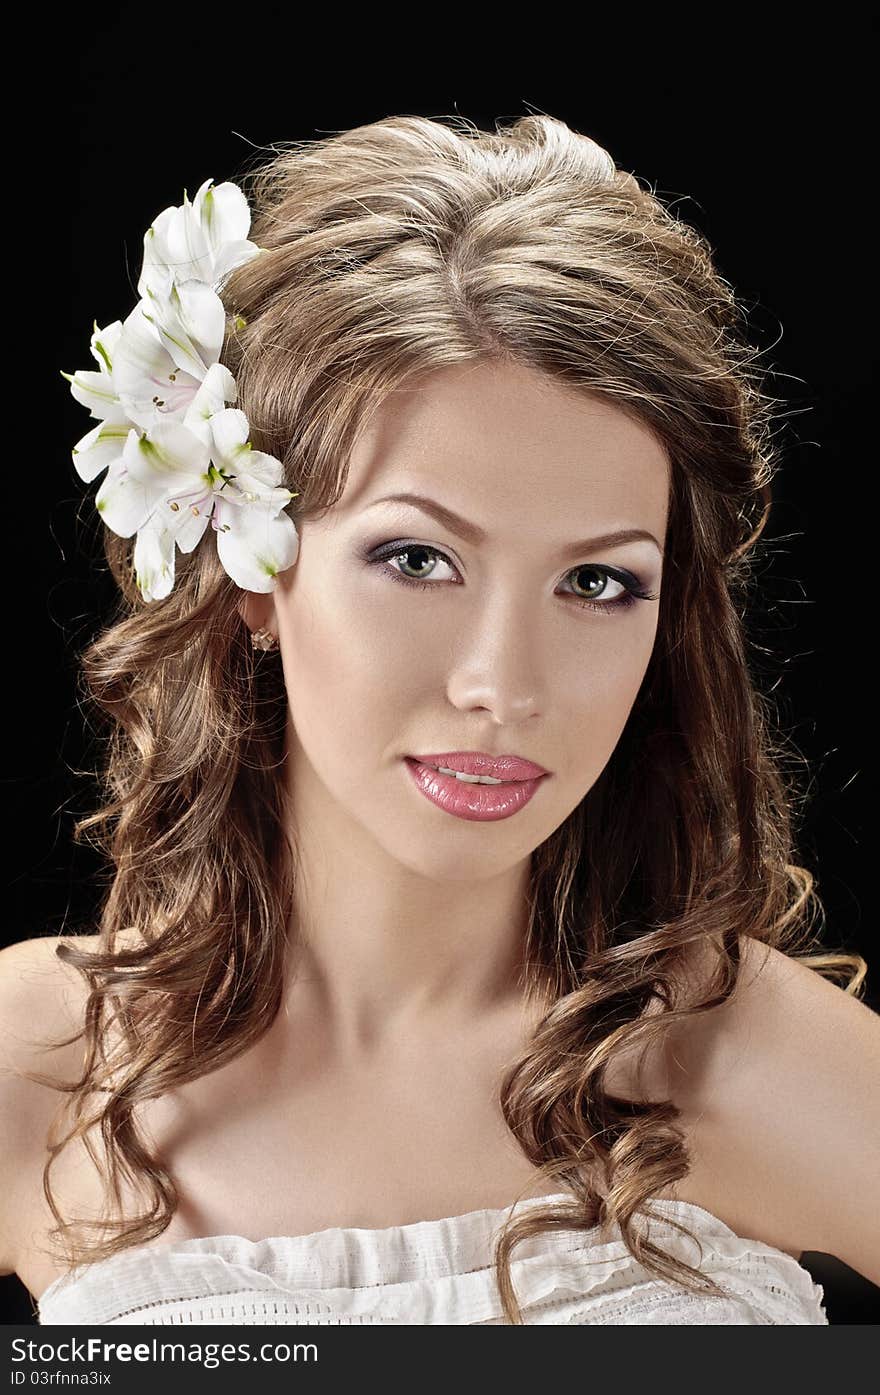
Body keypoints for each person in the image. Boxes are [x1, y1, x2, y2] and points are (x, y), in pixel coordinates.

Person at [1, 112, 877, 1327]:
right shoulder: (39, 1068)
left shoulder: (747, 1060)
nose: (502, 684)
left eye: (596, 582)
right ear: (253, 568)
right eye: (417, 559)